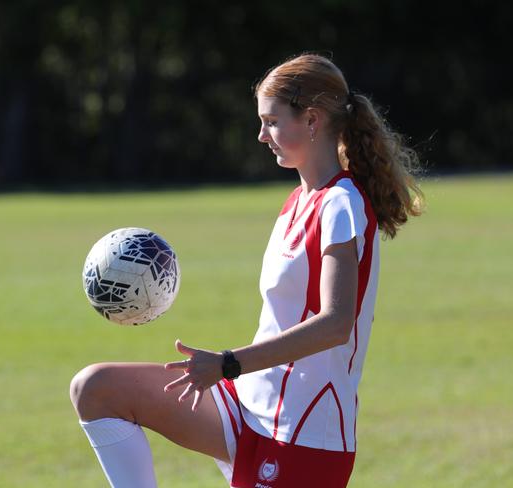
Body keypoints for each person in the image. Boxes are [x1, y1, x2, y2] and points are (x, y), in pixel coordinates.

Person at [69, 52, 423, 487]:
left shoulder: (341, 204)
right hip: (248, 406)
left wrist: (230, 363)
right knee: (96, 389)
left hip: (303, 434)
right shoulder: (297, 202)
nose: (261, 135)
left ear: (311, 121)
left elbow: (335, 324)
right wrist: (234, 373)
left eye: (271, 122)